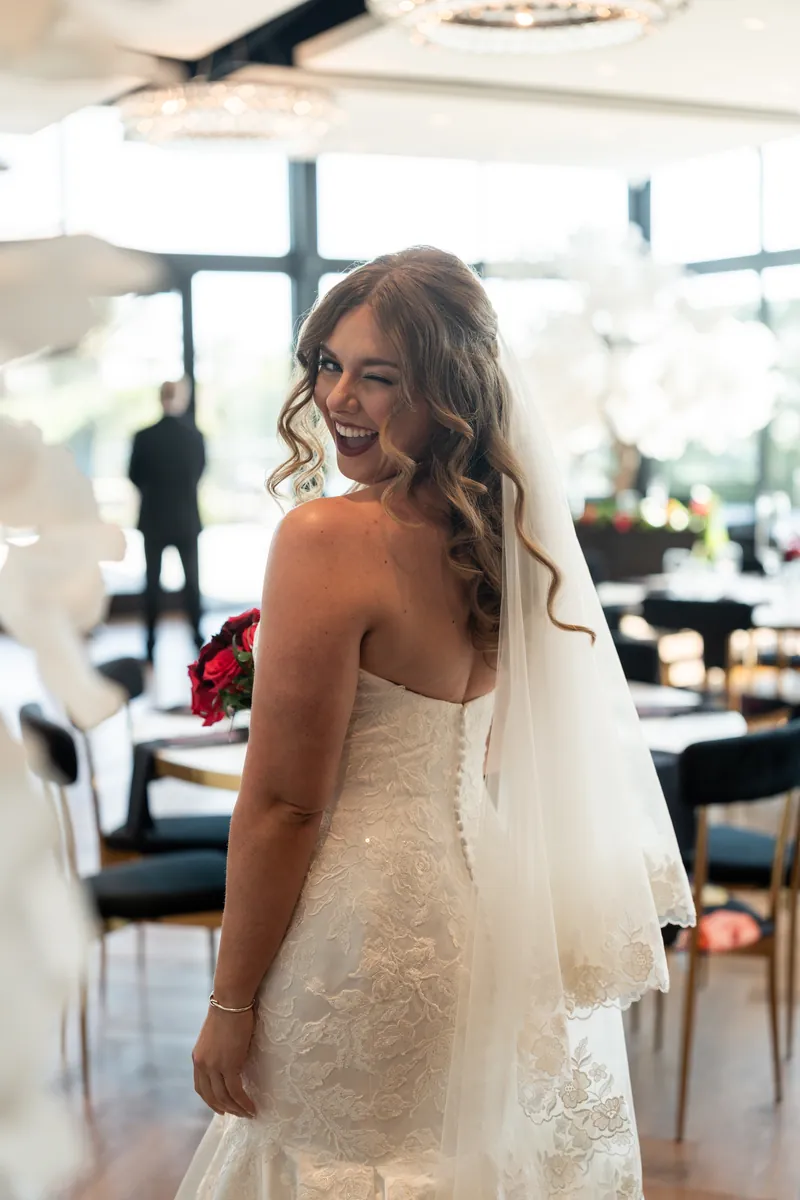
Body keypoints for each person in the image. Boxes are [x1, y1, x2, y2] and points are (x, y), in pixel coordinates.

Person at [175, 249, 693, 1200]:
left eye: (380, 377)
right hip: (489, 919)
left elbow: (289, 804)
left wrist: (230, 1000)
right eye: (329, 365)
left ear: (447, 390)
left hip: (359, 931)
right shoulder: (505, 536)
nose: (339, 399)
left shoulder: (326, 539)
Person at [129, 379, 206, 661]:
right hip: (185, 518)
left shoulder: (144, 436)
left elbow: (134, 475)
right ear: (182, 399)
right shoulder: (195, 436)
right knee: (192, 582)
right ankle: (198, 637)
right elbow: (199, 473)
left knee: (151, 583)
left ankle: (149, 643)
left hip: (154, 519)